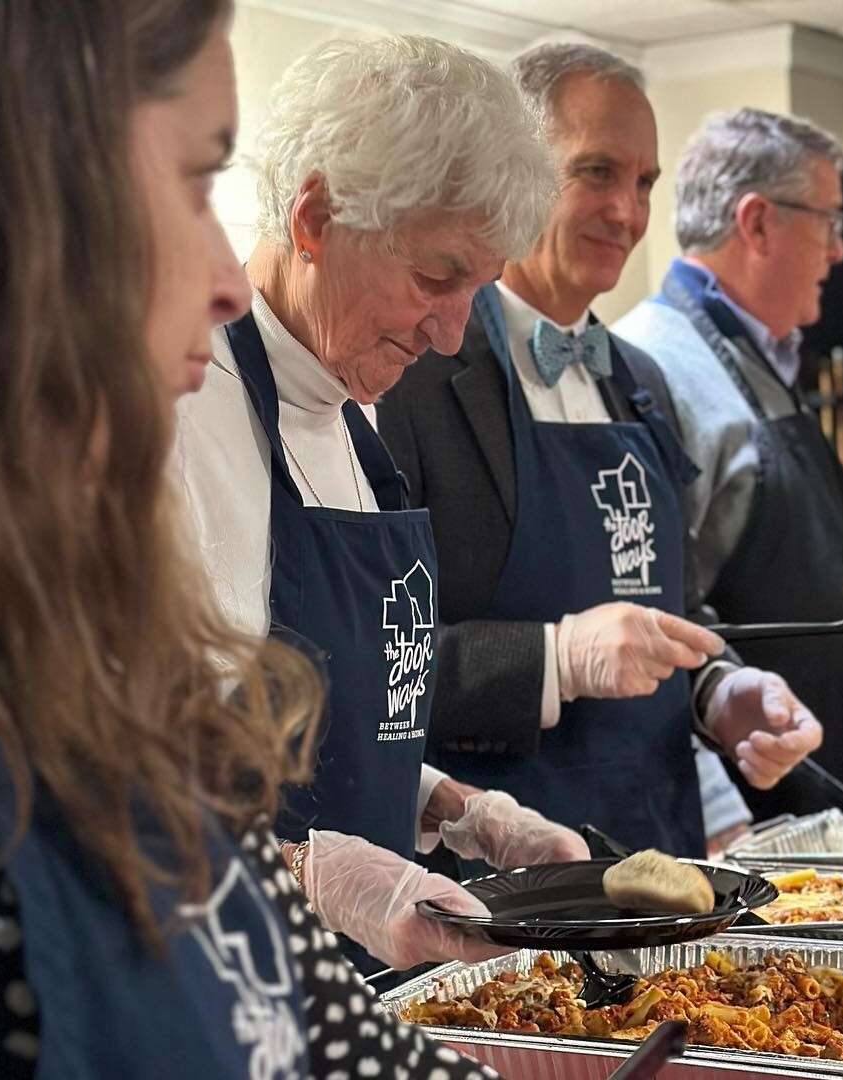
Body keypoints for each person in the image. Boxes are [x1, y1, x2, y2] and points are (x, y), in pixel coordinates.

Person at [0, 2, 494, 1077]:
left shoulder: (109, 667)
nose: (229, 279)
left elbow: (340, 1043)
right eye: (197, 183)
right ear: (3, 211)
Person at [174, 35, 589, 975]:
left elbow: (330, 738)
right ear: (315, 216)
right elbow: (121, 791)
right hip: (234, 980)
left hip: (368, 997)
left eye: (477, 293)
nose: (450, 338)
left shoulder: (355, 421)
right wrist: (317, 877)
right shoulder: (181, 415)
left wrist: (454, 809)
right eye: (437, 278)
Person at [377, 44, 824, 860]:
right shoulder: (411, 370)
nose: (628, 210)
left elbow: (673, 608)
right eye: (597, 172)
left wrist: (721, 689)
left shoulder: (641, 380)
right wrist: (559, 658)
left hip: (660, 855)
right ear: (513, 169)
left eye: (645, 182)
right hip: (497, 884)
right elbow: (371, 664)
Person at [615, 108, 843, 814]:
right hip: (755, 823)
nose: (839, 251)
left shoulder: (765, 355)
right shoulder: (653, 364)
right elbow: (656, 618)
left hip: (827, 801)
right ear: (756, 223)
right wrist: (718, 806)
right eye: (829, 222)